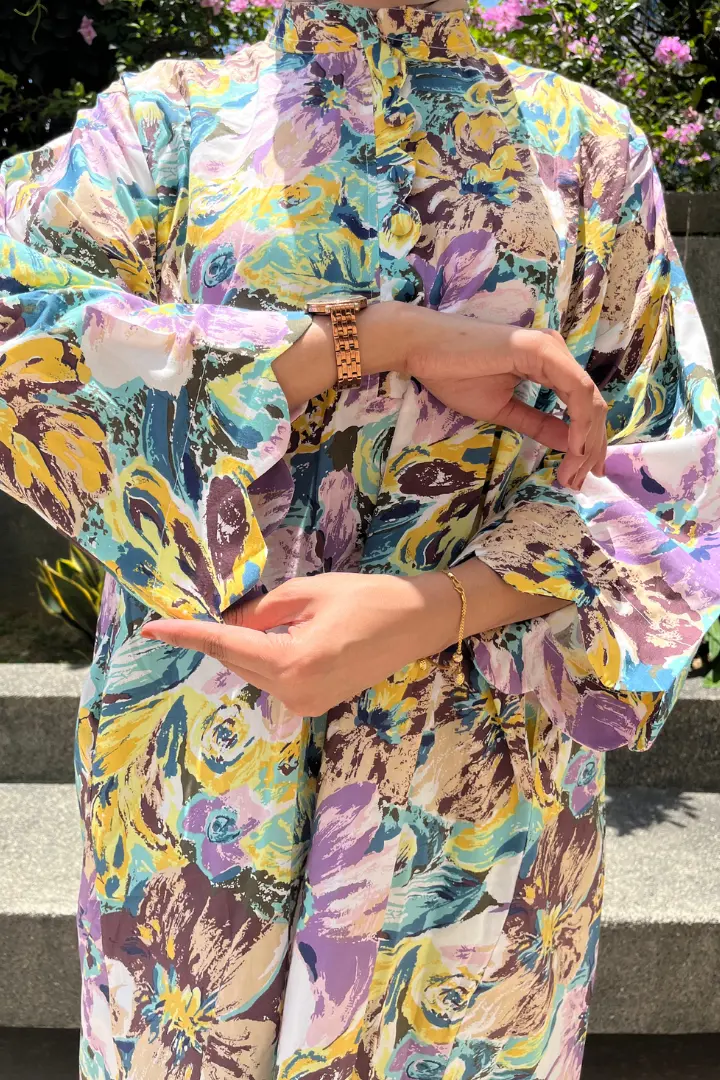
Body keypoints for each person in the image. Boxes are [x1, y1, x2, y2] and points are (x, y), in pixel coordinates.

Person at [1, 1, 718, 1077]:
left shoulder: (587, 150)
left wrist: (435, 607)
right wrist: (371, 340)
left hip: (477, 799)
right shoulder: (164, 128)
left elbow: (670, 481)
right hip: (200, 783)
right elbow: (24, 346)